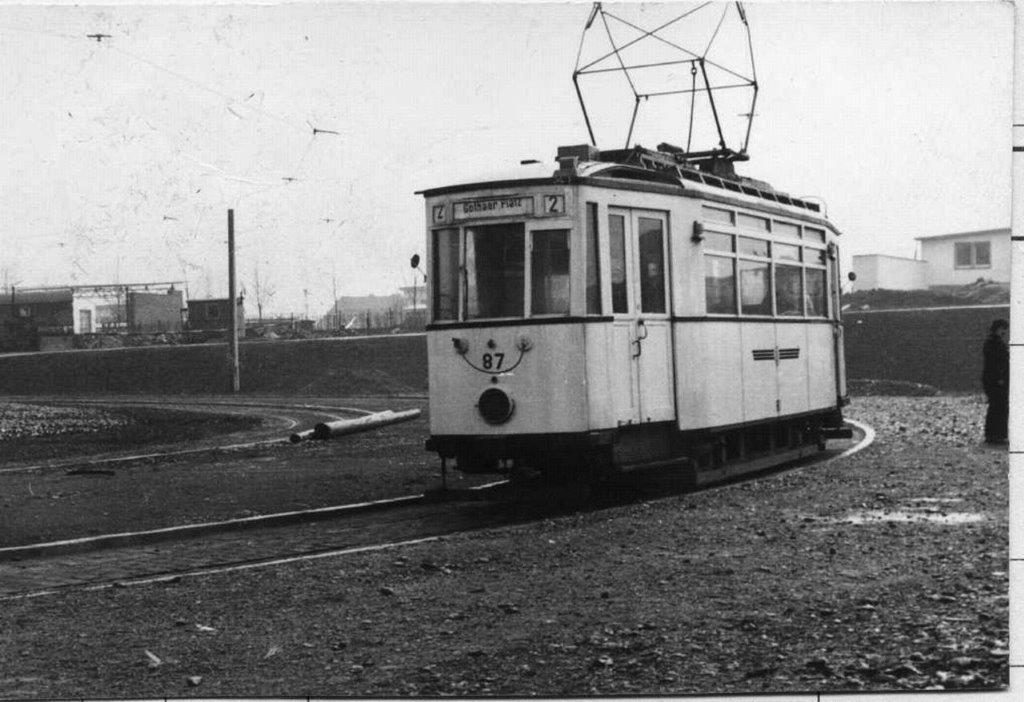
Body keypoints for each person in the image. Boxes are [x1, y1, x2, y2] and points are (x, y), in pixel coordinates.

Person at [982, 319, 1009, 444]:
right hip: (996, 379)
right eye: (1003, 329)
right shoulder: (993, 343)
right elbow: (996, 363)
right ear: (998, 328)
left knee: (997, 407)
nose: (1004, 332)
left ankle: (994, 435)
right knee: (998, 407)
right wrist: (1000, 377)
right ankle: (995, 435)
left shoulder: (992, 342)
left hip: (994, 379)